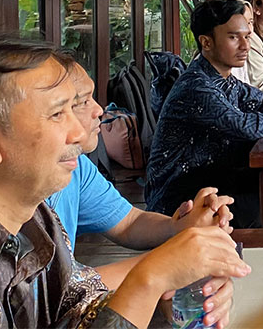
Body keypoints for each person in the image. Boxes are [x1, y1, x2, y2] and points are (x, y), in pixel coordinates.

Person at [0, 32, 249, 329]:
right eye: (58, 114)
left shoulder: (31, 215)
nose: (80, 132)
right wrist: (150, 277)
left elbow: (77, 312)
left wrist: (165, 298)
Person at [48, 62, 235, 291]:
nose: (100, 110)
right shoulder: (15, 199)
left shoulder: (77, 166)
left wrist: (180, 227)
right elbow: (57, 294)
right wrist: (170, 262)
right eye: (82, 102)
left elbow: (129, 222)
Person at [146, 0, 263, 225]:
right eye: (234, 37)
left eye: (247, 37)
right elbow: (244, 126)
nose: (245, 46)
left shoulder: (223, 78)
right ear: (206, 42)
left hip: (216, 183)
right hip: (181, 201)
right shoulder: (197, 86)